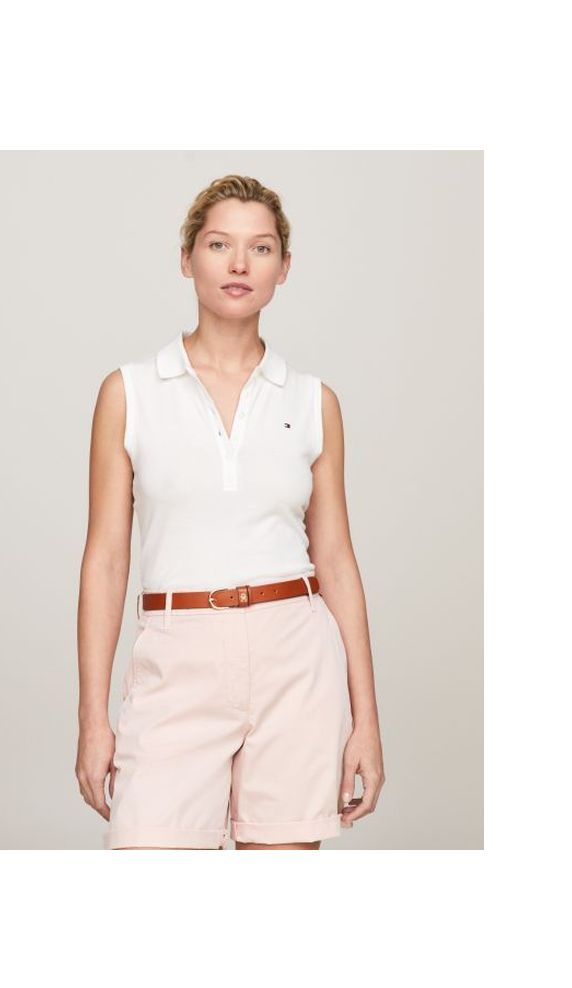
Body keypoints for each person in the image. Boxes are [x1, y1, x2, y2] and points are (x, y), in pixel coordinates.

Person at [75, 174, 385, 849]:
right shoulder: (129, 393)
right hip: (176, 655)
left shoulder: (313, 402)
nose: (240, 264)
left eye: (261, 248)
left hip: (295, 656)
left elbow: (336, 560)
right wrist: (92, 718)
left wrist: (367, 720)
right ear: (186, 258)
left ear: (284, 267)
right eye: (219, 244)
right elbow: (105, 559)